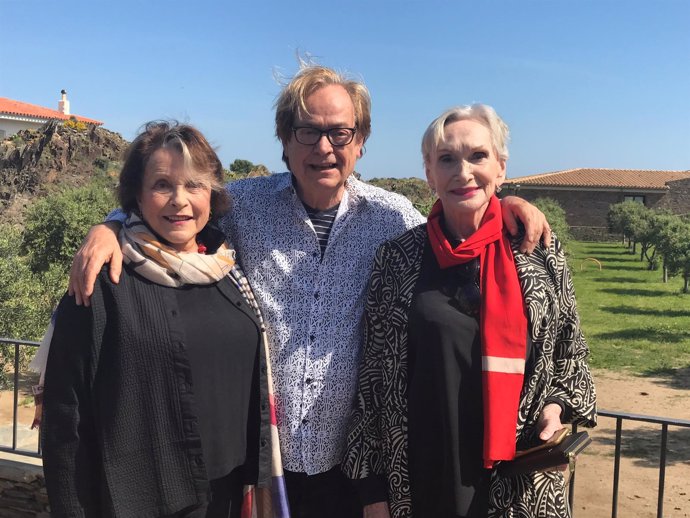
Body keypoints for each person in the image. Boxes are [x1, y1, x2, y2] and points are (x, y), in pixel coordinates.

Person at [67, 63, 551, 518]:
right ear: (284, 138)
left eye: (340, 132)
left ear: (360, 141)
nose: (324, 146)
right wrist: (112, 225)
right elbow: (176, 212)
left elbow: (460, 212)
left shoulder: (394, 217)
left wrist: (508, 203)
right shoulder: (244, 208)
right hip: (259, 461)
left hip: (352, 466)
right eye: (308, 131)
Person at [342, 104, 597, 518]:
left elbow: (571, 353)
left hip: (518, 486)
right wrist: (372, 491)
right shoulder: (397, 259)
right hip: (420, 478)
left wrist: (557, 407)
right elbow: (372, 379)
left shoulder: (541, 254)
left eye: (478, 156)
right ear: (429, 173)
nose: (463, 172)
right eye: (446, 159)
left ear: (500, 167)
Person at [40, 122, 286, 517]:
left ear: (212, 193)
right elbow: (66, 420)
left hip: (227, 494)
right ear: (136, 194)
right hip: (140, 500)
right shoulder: (104, 279)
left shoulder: (226, 269)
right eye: (162, 185)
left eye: (194, 185)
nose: (180, 200)